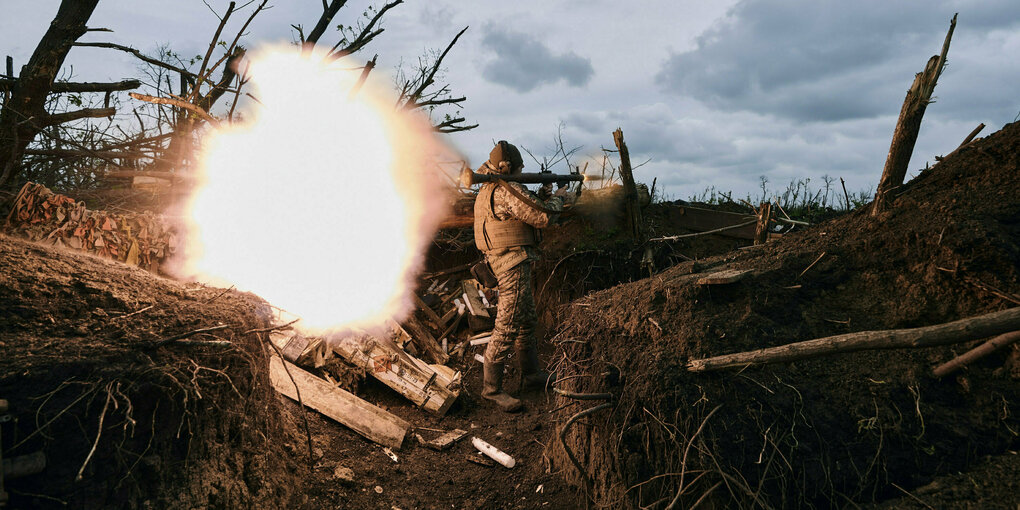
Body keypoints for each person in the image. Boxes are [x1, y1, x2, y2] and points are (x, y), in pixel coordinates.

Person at [474, 141, 565, 412]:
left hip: (506, 261)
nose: (522, 171)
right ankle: (491, 389)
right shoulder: (506, 188)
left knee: (526, 320)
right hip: (511, 264)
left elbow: (522, 209)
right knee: (508, 324)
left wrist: (541, 193)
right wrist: (559, 197)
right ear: (508, 166)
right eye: (520, 168)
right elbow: (543, 217)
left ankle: (532, 374)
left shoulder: (488, 188)